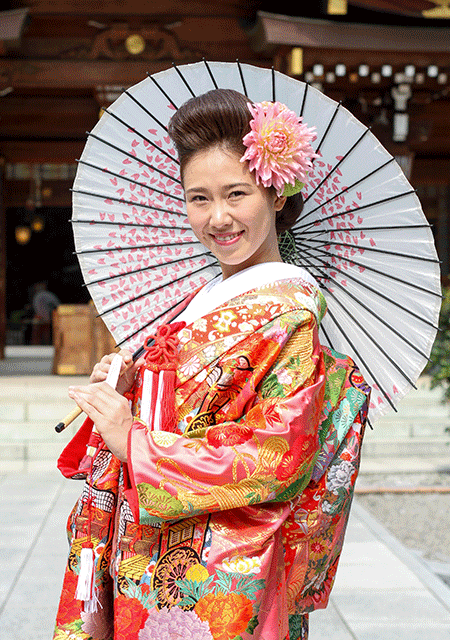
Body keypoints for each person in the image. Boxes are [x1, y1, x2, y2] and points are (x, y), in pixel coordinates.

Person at [54, 89, 370, 640]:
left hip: (217, 567)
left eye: (236, 194)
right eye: (198, 198)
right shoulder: (206, 298)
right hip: (148, 548)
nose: (218, 218)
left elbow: (274, 456)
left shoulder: (289, 314)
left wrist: (135, 440)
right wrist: (134, 386)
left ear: (275, 193)